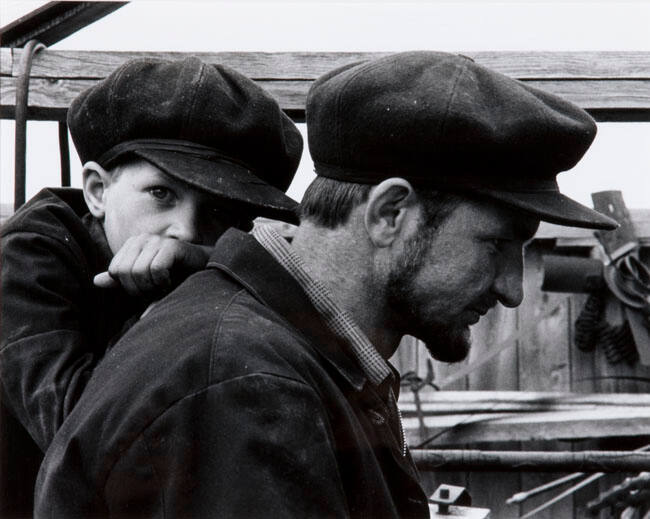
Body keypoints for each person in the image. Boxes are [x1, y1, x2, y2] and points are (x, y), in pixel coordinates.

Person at [34, 51, 616, 518]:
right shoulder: (241, 383)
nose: (514, 289)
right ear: (390, 213)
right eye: (495, 244)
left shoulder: (288, 354)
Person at [0, 57, 302, 517]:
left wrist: (204, 267)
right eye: (162, 194)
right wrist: (170, 299)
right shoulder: (24, 261)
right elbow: (82, 432)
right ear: (97, 191)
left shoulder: (203, 264)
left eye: (219, 212)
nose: (184, 230)